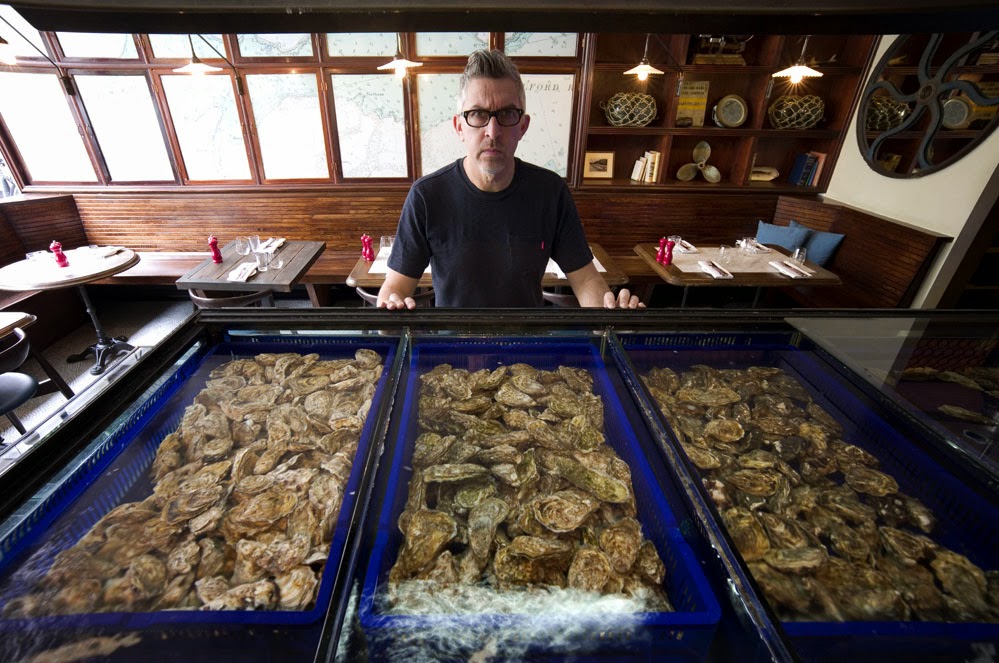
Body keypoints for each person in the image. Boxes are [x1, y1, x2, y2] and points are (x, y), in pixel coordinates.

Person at [377, 49, 644, 310]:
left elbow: (585, 279)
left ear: (523, 126)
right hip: (453, 339)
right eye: (478, 114)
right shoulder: (426, 196)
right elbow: (395, 286)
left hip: (527, 338)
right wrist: (392, 304)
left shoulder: (550, 192)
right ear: (460, 127)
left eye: (506, 114)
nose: (492, 132)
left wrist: (611, 314)